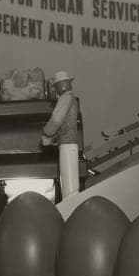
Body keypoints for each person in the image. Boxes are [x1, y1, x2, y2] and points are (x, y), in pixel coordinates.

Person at [40, 70, 81, 199]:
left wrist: (47, 132)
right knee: (70, 182)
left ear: (59, 86)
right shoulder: (72, 98)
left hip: (67, 144)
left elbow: (56, 120)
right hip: (69, 142)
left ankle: (70, 210)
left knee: (68, 184)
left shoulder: (65, 99)